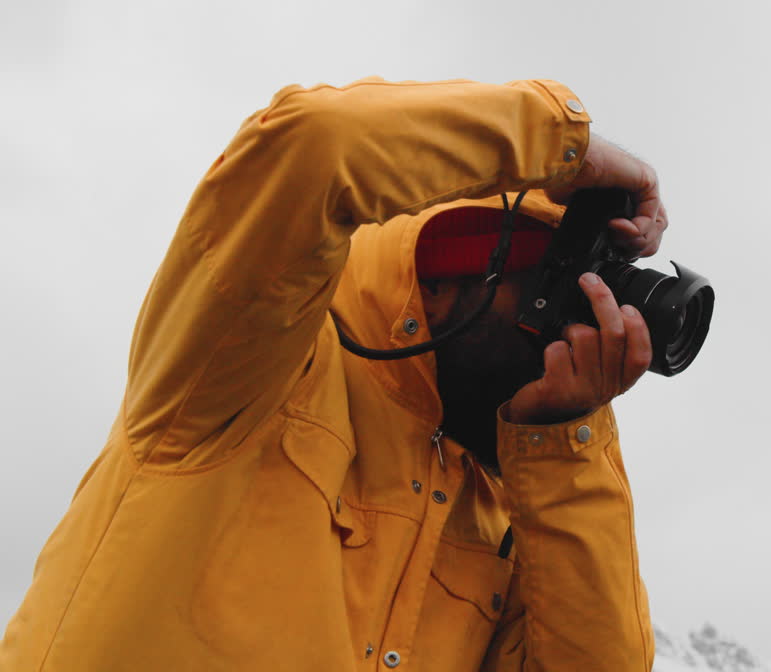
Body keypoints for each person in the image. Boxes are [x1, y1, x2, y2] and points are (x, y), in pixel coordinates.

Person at [0, 77, 666, 671]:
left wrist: (563, 448)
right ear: (438, 282)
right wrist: (563, 144)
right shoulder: (248, 368)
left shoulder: (514, 521)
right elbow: (314, 145)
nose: (581, 333)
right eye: (558, 297)